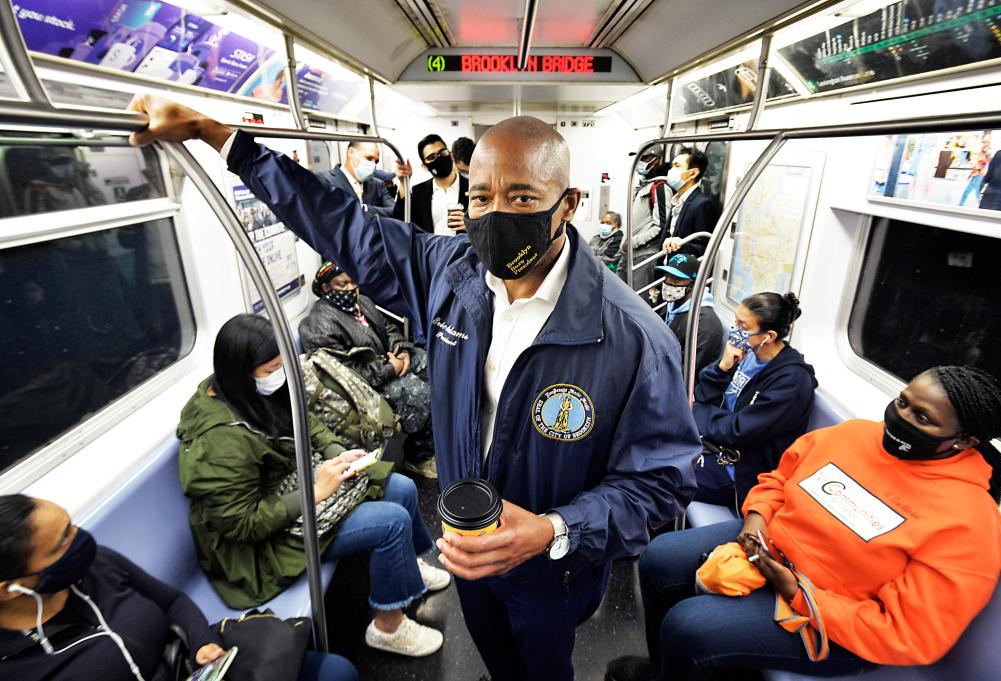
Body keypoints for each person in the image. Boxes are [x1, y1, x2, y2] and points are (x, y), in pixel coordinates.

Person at [128, 94, 700, 681]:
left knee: (542, 665)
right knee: (495, 655)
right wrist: (218, 135)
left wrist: (555, 531)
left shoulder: (634, 338)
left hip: (551, 568)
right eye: (481, 198)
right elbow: (340, 223)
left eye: (522, 197)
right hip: (464, 540)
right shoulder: (449, 276)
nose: (496, 213)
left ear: (567, 205)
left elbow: (661, 483)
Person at [607, 365, 1001, 681]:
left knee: (689, 626)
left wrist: (797, 592)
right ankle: (669, 672)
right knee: (660, 557)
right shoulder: (851, 436)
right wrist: (755, 519)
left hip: (835, 620)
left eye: (922, 418)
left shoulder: (969, 523)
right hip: (771, 547)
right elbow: (780, 480)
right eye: (903, 401)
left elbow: (909, 634)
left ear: (964, 442)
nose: (900, 417)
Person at [177, 314, 449, 656]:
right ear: (242, 372)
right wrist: (316, 492)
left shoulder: (248, 391)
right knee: (392, 523)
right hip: (258, 549)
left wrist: (337, 452)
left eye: (281, 365)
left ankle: (408, 568)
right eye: (271, 368)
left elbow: (306, 422)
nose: (279, 375)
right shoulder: (218, 444)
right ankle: (388, 627)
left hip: (292, 489)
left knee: (402, 489)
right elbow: (242, 526)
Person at [0, 494, 359, 681]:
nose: (80, 540)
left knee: (335, 672)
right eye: (62, 542)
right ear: (10, 588)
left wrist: (202, 642)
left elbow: (171, 600)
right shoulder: (15, 665)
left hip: (186, 666)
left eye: (71, 526)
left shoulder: (96, 564)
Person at [300, 261, 436, 479]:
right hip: (364, 386)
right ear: (326, 288)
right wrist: (390, 369)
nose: (350, 289)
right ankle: (417, 456)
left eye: (353, 282)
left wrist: (400, 351)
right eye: (342, 284)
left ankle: (431, 436)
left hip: (388, 362)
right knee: (419, 395)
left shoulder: (362, 302)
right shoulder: (318, 325)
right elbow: (345, 373)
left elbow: (389, 329)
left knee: (433, 365)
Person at [691, 292, 815, 508]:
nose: (735, 329)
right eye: (735, 321)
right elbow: (703, 396)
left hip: (738, 471)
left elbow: (738, 430)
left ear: (770, 336)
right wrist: (721, 368)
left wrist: (694, 411)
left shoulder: (791, 382)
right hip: (711, 443)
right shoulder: (747, 355)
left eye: (744, 326)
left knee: (660, 473)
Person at [655, 253, 722, 375]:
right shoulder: (673, 303)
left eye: (676, 279)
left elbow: (689, 369)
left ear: (694, 284)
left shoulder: (705, 323)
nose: (668, 283)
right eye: (667, 276)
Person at [392, 134, 469, 235]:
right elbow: (400, 222)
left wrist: (472, 227)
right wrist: (403, 182)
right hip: (431, 249)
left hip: (465, 249)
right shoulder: (419, 192)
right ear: (424, 166)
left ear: (451, 155)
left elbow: (490, 224)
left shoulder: (472, 188)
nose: (439, 158)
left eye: (443, 152)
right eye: (432, 157)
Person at [621, 146, 672, 290]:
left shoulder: (660, 188)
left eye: (643, 158)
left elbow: (660, 227)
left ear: (656, 160)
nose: (640, 163)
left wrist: (633, 243)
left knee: (638, 299)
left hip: (644, 256)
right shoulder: (644, 186)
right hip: (629, 254)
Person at [660, 148, 720, 257]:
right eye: (672, 166)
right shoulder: (678, 200)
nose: (671, 171)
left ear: (692, 173)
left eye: (677, 166)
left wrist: (681, 244)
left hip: (682, 269)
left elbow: (705, 248)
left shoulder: (702, 204)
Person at [319, 142, 396, 219]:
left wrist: (365, 209)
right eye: (369, 158)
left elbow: (394, 211)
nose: (373, 165)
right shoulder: (325, 181)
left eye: (376, 162)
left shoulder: (377, 184)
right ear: (351, 152)